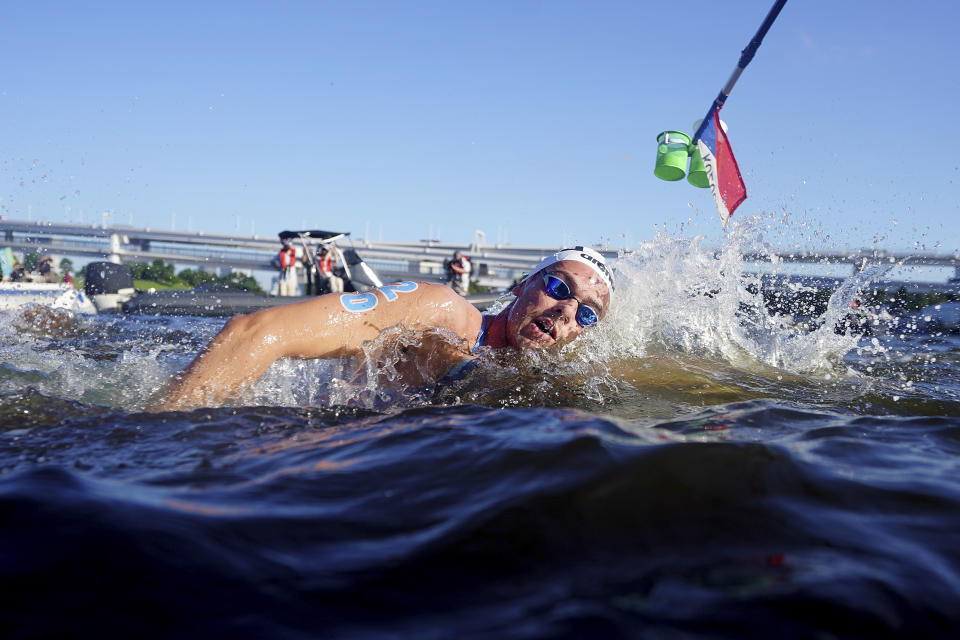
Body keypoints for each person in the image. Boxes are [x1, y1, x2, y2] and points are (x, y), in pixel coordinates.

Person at [154, 246, 614, 411]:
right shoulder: (442, 313)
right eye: (557, 286)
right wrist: (155, 447)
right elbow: (256, 332)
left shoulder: (546, 386)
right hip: (313, 448)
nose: (566, 310)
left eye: (587, 313)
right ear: (519, 287)